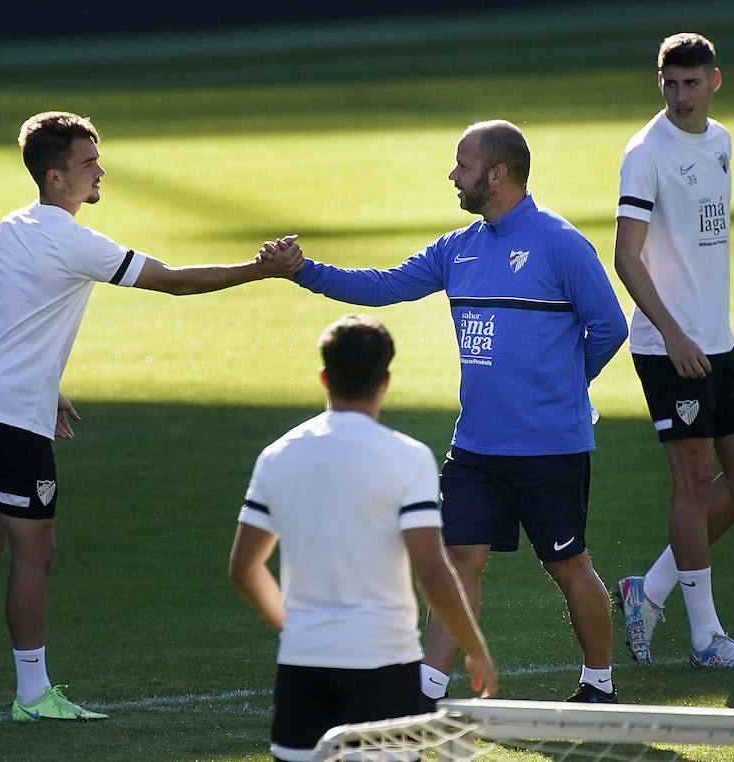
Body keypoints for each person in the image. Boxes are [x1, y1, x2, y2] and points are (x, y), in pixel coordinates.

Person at [0, 111, 305, 722]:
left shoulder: (10, 227)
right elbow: (173, 281)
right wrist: (261, 269)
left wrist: (49, 389)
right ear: (55, 177)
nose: (100, 171)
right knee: (33, 554)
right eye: (88, 164)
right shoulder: (71, 239)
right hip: (10, 418)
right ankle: (33, 696)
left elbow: (19, 318)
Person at [269, 121, 629, 703]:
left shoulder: (560, 244)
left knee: (567, 564)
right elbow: (382, 286)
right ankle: (429, 689)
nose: (453, 175)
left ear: (497, 173)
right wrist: (304, 272)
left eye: (462, 165)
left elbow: (610, 326)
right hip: (476, 448)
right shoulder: (457, 248)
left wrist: (560, 387)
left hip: (549, 446)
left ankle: (599, 684)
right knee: (458, 559)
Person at [229, 315, 498, 762]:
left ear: (324, 377)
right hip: (385, 663)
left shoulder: (277, 455)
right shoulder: (407, 458)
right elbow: (431, 568)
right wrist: (475, 650)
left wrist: (294, 627)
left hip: (304, 662)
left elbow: (244, 569)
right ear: (385, 381)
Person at [612, 33, 734, 670]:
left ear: (714, 81)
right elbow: (627, 255)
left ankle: (646, 590)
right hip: (666, 346)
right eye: (670, 84)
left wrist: (700, 332)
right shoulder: (645, 154)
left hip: (716, 342)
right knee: (691, 484)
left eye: (692, 83)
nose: (681, 96)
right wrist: (673, 335)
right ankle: (705, 638)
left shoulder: (723, 142)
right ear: (660, 84)